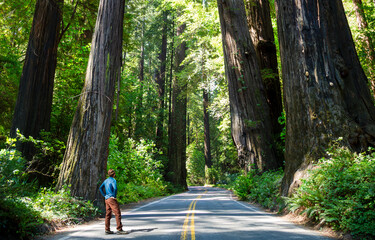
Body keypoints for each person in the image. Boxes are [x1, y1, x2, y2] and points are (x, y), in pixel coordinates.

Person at [99, 169, 128, 235]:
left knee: (108, 214)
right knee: (117, 213)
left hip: (107, 199)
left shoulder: (106, 180)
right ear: (114, 174)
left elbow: (100, 188)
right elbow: (115, 188)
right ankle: (119, 229)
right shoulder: (113, 180)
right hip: (112, 199)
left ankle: (107, 229)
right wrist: (114, 196)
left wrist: (104, 195)